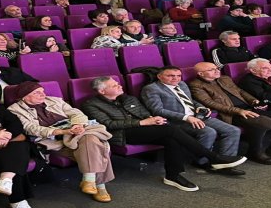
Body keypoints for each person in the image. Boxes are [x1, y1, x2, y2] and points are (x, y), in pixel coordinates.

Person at [81, 76, 247, 191]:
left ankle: (173, 176)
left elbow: (145, 113)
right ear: (102, 91)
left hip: (144, 128)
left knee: (170, 138)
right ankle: (214, 158)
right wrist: (142, 122)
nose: (120, 86)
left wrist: (154, 119)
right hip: (123, 134)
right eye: (114, 85)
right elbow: (109, 125)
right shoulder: (91, 104)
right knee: (172, 130)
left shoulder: (128, 98)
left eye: (118, 83)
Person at [7, 82, 115, 202]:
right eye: (37, 92)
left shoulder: (55, 100)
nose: (42, 94)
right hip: (55, 139)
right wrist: (62, 132)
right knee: (96, 145)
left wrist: (77, 125)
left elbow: (76, 113)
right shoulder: (14, 110)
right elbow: (30, 128)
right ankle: (99, 185)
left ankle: (89, 181)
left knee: (89, 139)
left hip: (77, 131)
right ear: (24, 96)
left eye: (42, 91)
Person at [189, 62, 271, 164]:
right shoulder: (196, 85)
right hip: (232, 114)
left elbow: (240, 91)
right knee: (264, 122)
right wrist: (239, 111)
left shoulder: (224, 78)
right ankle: (255, 152)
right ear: (201, 74)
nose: (217, 70)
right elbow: (210, 103)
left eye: (216, 68)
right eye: (211, 70)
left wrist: (254, 101)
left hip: (248, 108)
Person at [140, 66, 245, 176]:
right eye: (170, 76)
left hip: (195, 116)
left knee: (233, 130)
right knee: (208, 132)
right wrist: (186, 117)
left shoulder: (182, 84)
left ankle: (225, 164)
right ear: (159, 76)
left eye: (178, 76)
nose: (175, 78)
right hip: (176, 121)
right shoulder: (151, 89)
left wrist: (200, 107)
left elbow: (190, 101)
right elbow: (157, 110)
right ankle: (202, 161)